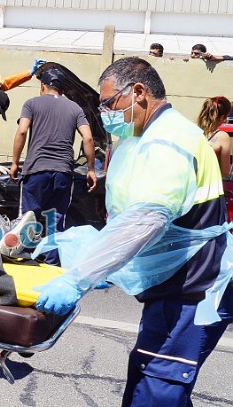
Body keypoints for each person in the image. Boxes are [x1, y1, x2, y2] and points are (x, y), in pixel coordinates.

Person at [33, 57, 233, 407]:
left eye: (109, 103)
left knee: (157, 385)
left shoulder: (167, 142)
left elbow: (145, 220)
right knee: (152, 377)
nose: (106, 113)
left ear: (138, 92)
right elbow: (132, 215)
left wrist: (79, 276)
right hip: (177, 282)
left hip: (197, 288)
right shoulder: (144, 136)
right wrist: (87, 245)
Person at [8, 68, 97, 264]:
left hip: (36, 169)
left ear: (43, 87)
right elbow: (88, 137)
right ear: (62, 90)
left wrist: (14, 163)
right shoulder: (75, 108)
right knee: (55, 221)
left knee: (26, 219)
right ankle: (51, 264)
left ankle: (21, 260)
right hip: (63, 173)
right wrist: (91, 169)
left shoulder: (31, 103)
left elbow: (22, 131)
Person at [196, 96, 232, 177]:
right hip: (210, 184)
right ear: (222, 117)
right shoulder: (223, 136)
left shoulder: (192, 131)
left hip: (190, 184)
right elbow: (225, 172)